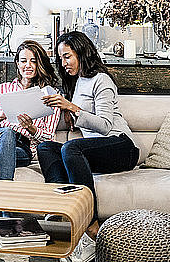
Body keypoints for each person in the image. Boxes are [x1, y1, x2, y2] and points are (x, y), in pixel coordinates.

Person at [38, 31, 140, 262]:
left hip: (122, 146)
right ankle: (61, 213)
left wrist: (73, 108)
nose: (63, 64)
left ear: (81, 53)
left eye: (67, 57)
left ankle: (90, 224)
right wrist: (65, 111)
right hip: (96, 149)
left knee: (71, 148)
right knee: (46, 148)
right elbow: (83, 125)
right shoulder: (76, 82)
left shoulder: (101, 80)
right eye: (61, 59)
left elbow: (104, 126)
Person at [0, 40, 60, 183]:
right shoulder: (3, 89)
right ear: (17, 64)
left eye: (33, 61)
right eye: (23, 61)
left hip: (21, 148)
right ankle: (6, 194)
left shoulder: (50, 95)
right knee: (6, 132)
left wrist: (30, 128)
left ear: (40, 64)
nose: (28, 65)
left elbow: (49, 139)